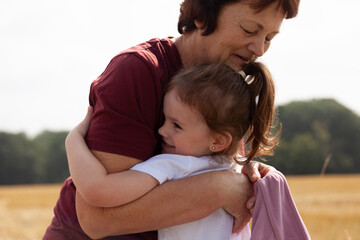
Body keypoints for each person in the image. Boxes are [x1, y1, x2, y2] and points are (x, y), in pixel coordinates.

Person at [43, 0, 300, 239]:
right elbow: (96, 219)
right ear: (202, 15)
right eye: (248, 30)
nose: (260, 49)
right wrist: (220, 188)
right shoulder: (138, 71)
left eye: (269, 37)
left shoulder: (226, 88)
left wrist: (247, 178)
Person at [66, 62, 279, 240]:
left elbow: (98, 190)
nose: (161, 130)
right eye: (164, 118)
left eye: (176, 125)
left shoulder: (174, 165)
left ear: (219, 140)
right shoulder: (240, 170)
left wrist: (73, 140)